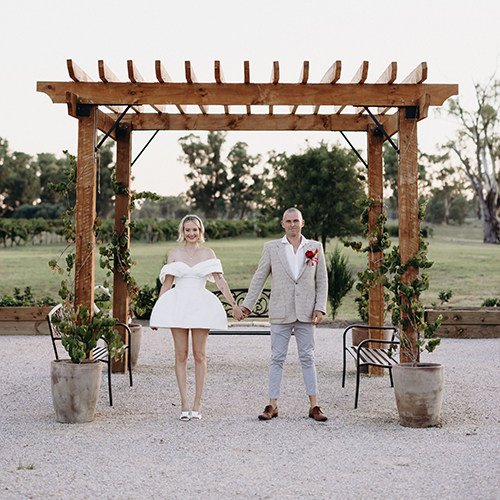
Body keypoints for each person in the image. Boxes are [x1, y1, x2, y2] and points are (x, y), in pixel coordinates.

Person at [150, 214, 244, 421]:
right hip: (178, 306)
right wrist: (157, 313)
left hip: (201, 306)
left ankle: (197, 403)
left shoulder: (209, 253)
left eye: (195, 230)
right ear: (182, 232)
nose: (191, 233)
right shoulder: (174, 254)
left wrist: (234, 306)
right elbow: (167, 284)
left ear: (200, 231)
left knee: (199, 354)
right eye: (187, 230)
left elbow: (220, 282)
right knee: (180, 355)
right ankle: (184, 403)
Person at [241, 208, 328, 422]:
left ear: (302, 223)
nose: (292, 225)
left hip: (306, 312)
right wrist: (247, 306)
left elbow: (322, 280)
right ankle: (272, 405)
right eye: (288, 221)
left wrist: (320, 307)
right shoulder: (271, 248)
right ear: (283, 224)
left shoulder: (315, 247)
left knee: (308, 357)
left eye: (295, 221)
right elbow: (259, 277)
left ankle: (314, 406)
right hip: (281, 311)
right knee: (277, 358)